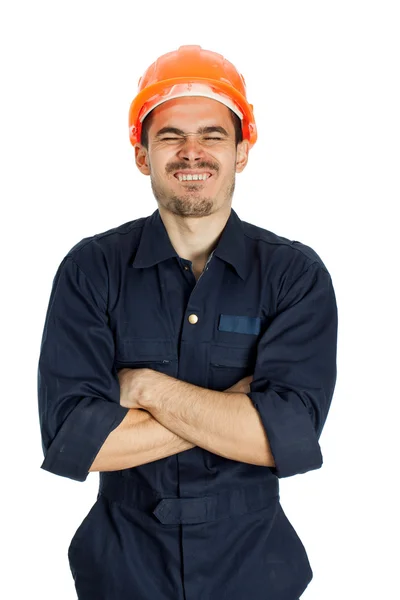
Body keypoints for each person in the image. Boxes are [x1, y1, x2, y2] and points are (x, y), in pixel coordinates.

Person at [37, 45, 338, 600]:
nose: (191, 152)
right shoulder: (91, 270)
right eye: (170, 136)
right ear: (141, 154)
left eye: (213, 135)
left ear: (242, 151)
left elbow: (287, 439)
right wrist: (236, 412)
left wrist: (147, 389)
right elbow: (78, 444)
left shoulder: (293, 275)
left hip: (256, 573)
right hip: (121, 572)